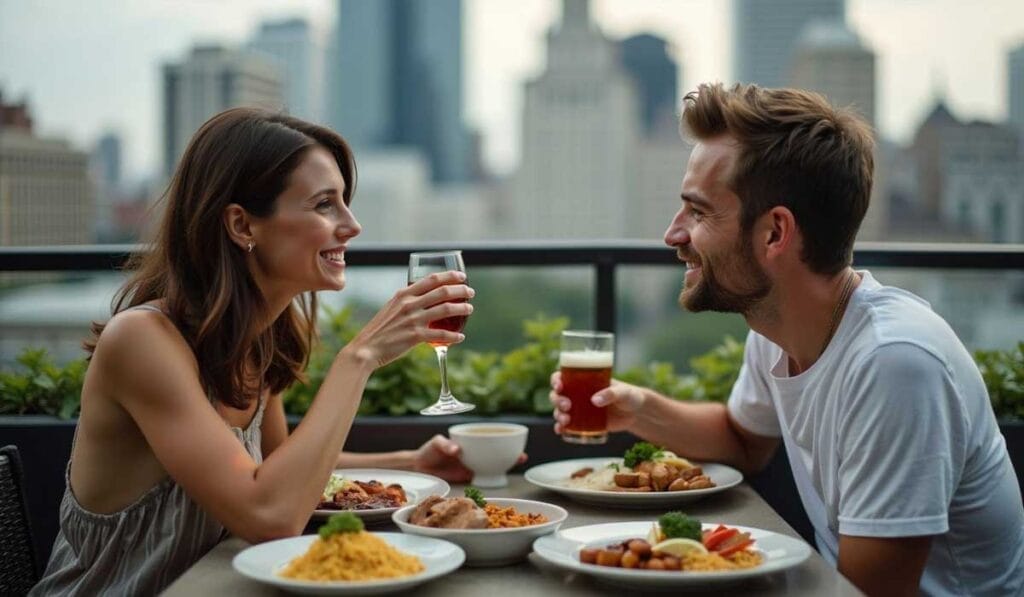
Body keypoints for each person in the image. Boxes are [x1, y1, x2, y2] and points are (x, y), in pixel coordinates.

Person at [551, 83, 1024, 596]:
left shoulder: (895, 364)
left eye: (699, 212)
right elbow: (744, 441)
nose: (674, 234)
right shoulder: (778, 328)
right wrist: (636, 407)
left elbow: (869, 593)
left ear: (775, 233)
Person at [31, 108, 483, 595]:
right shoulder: (142, 342)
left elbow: (281, 467)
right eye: (324, 205)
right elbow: (269, 514)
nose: (351, 225)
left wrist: (412, 463)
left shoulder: (257, 338)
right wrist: (361, 357)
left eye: (344, 203)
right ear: (242, 225)